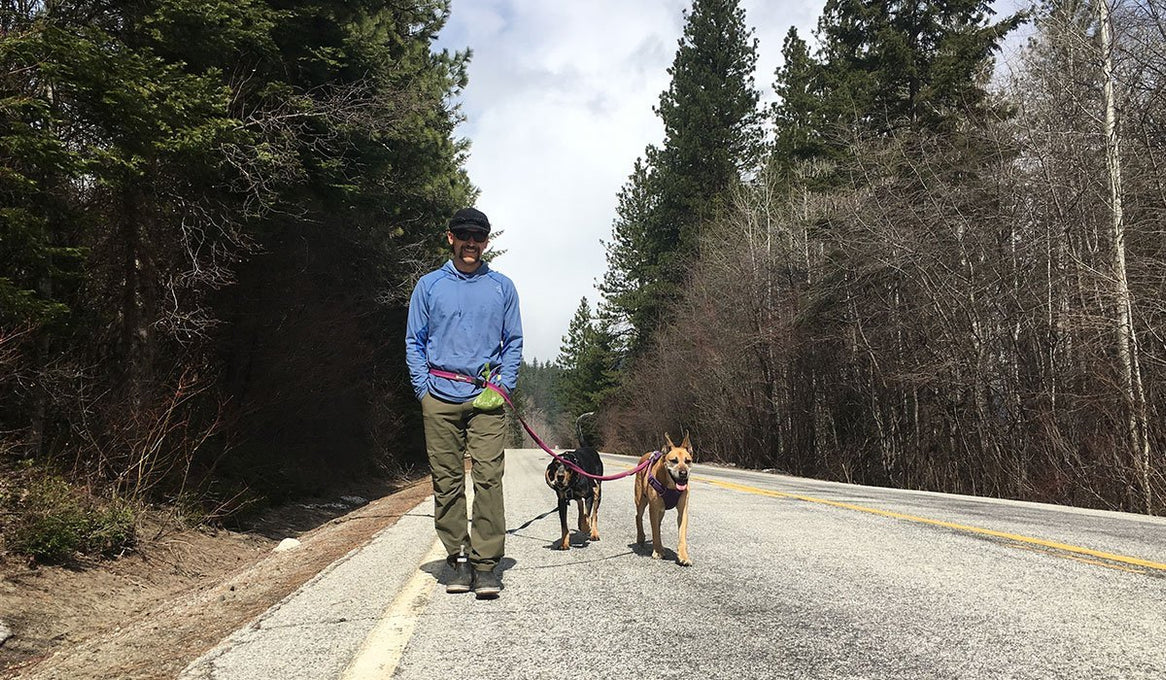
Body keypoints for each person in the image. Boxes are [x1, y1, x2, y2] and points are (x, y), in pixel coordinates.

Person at [404, 207, 523, 599]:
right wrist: (422, 389)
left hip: (486, 398)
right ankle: (455, 558)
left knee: (488, 478)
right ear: (450, 237)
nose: (471, 242)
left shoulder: (502, 287)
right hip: (438, 395)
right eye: (464, 234)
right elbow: (414, 343)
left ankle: (486, 564)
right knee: (447, 481)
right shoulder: (428, 286)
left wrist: (504, 387)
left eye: (479, 236)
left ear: (486, 241)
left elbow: (514, 343)